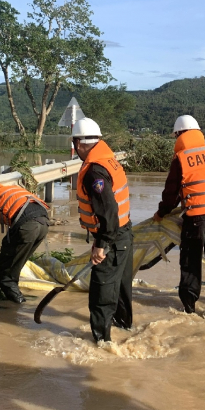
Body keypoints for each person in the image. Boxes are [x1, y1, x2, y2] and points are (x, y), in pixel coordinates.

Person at [152, 115, 205, 320]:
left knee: (190, 265)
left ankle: (190, 313)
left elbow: (170, 194)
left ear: (179, 134)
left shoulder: (181, 158)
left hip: (195, 219)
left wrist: (161, 214)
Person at [72, 118, 134, 343]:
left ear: (78, 143)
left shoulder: (94, 172)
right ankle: (126, 331)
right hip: (124, 233)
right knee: (121, 288)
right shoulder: (109, 159)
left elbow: (108, 211)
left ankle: (101, 345)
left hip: (113, 238)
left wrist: (101, 245)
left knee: (102, 294)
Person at [0, 182, 50, 303]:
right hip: (44, 223)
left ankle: (17, 308)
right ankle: (15, 298)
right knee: (14, 266)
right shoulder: (9, 191)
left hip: (28, 225)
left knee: (4, 275)